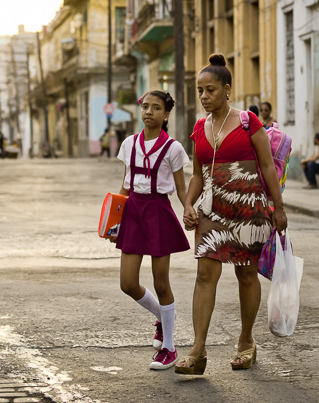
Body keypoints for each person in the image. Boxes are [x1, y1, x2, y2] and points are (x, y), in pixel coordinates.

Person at [178, 53, 287, 375]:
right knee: (204, 276)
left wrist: (278, 208)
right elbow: (197, 174)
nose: (204, 96)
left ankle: (245, 341)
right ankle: (198, 350)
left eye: (210, 90)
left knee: (245, 274)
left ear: (227, 89)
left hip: (249, 208)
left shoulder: (247, 122)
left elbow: (267, 165)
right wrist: (187, 204)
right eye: (200, 90)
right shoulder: (199, 127)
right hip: (212, 210)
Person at [114, 90, 191, 370]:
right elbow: (126, 183)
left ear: (165, 114)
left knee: (161, 283)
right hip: (133, 211)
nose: (149, 112)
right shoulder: (129, 144)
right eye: (145, 107)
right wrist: (115, 219)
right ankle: (162, 316)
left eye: (156, 108)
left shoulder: (173, 148)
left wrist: (189, 208)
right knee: (127, 283)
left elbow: (182, 189)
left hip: (158, 212)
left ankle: (169, 348)